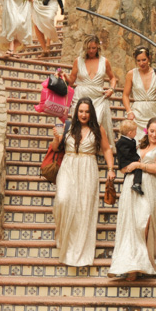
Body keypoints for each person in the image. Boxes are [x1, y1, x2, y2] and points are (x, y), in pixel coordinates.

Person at [52, 98, 115, 267]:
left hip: (88, 168)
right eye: (81, 111)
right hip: (68, 166)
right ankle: (63, 237)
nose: (84, 114)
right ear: (76, 112)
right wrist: (56, 138)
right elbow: (56, 148)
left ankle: (78, 248)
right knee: (63, 200)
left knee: (83, 208)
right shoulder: (68, 127)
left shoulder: (97, 129)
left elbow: (107, 149)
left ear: (91, 112)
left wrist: (110, 169)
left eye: (87, 111)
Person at [108, 117, 156, 280]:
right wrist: (124, 168)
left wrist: (139, 165)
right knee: (130, 224)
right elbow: (125, 162)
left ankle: (142, 262)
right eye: (151, 131)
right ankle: (128, 265)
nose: (154, 135)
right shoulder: (138, 144)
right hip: (131, 186)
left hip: (148, 186)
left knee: (144, 222)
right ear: (146, 130)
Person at [61, 35, 117, 146]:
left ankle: (93, 149)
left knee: (96, 124)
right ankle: (79, 147)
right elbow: (72, 81)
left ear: (98, 48)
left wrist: (111, 89)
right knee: (79, 124)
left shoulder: (104, 61)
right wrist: (64, 76)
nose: (91, 51)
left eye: (94, 48)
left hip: (98, 97)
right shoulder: (78, 61)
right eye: (88, 48)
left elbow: (113, 78)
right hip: (80, 96)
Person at [122, 47, 156, 143]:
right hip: (137, 112)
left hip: (152, 111)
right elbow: (125, 95)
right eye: (138, 60)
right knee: (137, 142)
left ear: (149, 58)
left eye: (144, 60)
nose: (141, 63)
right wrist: (129, 111)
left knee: (153, 141)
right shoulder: (131, 74)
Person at [115, 120, 143, 195]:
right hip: (125, 163)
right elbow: (127, 153)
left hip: (128, 160)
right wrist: (137, 158)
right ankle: (136, 184)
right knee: (138, 168)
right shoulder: (122, 142)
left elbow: (131, 150)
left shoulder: (130, 140)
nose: (136, 133)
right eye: (135, 131)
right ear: (130, 133)